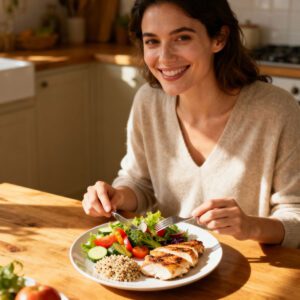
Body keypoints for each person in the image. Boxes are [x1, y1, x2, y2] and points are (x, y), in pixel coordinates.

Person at [82, 0, 300, 248]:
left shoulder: (277, 110)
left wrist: (251, 226)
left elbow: (295, 213)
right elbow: (140, 182)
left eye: (182, 38)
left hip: (252, 273)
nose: (164, 57)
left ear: (219, 39)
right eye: (152, 41)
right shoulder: (148, 102)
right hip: (166, 265)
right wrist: (117, 196)